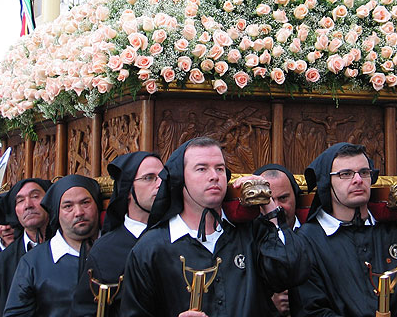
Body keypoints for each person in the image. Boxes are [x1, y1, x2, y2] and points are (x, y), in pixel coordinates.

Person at [119, 136, 309, 317]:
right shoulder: (150, 248)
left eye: (220, 168)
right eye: (202, 169)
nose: (214, 176)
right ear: (179, 178)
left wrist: (268, 207)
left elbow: (291, 274)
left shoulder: (252, 232)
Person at [297, 142, 397, 316]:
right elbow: (311, 310)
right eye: (346, 174)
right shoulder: (307, 239)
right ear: (327, 182)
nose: (358, 180)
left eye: (364, 172)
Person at [70, 152, 163, 317]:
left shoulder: (178, 237)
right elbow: (84, 311)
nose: (159, 184)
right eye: (149, 178)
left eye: (163, 177)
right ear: (127, 190)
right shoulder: (105, 249)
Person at [3, 175, 101, 317]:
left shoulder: (115, 251)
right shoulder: (33, 262)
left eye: (85, 203)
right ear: (57, 212)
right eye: (68, 206)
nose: (79, 212)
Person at [0, 179, 51, 317]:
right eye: (20, 201)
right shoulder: (1, 263)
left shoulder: (73, 247)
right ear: (15, 211)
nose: (28, 205)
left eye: (35, 196)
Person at [254, 163, 302, 317]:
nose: (275, 207)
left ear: (295, 196)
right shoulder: (247, 242)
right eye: (267, 200)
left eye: (283, 198)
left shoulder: (313, 236)